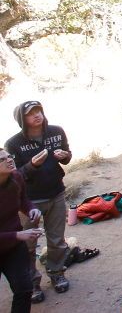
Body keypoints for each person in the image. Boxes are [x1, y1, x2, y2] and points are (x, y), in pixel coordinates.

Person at [5, 100, 71, 302]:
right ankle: (32, 282)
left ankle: (57, 274)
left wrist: (65, 156)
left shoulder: (56, 131)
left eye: (38, 111)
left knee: (57, 239)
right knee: (28, 245)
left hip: (56, 193)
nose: (37, 115)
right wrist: (32, 165)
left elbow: (67, 157)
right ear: (21, 120)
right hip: (28, 201)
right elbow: (13, 175)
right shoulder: (13, 144)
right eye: (30, 113)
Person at [0, 148, 43, 313]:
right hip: (14, 237)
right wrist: (18, 235)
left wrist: (31, 209)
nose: (9, 160)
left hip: (13, 247)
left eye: (9, 156)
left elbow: (23, 199)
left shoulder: (16, 177)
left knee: (24, 289)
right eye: (2, 159)